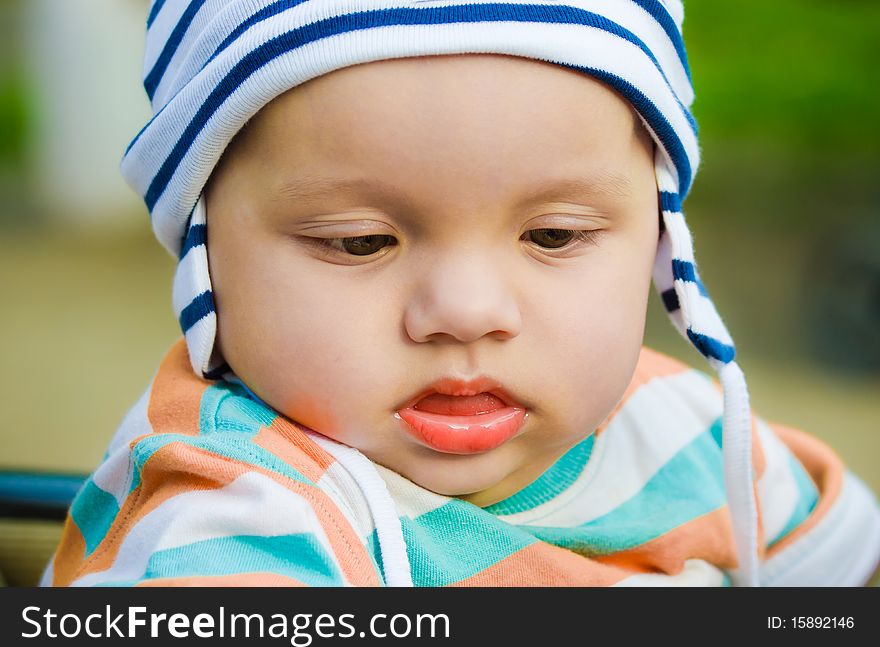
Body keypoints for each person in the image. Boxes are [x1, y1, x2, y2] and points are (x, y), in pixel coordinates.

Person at [42, 0, 880, 587]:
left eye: (553, 236)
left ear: (660, 237)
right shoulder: (230, 519)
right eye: (360, 241)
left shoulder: (693, 436)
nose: (469, 312)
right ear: (204, 252)